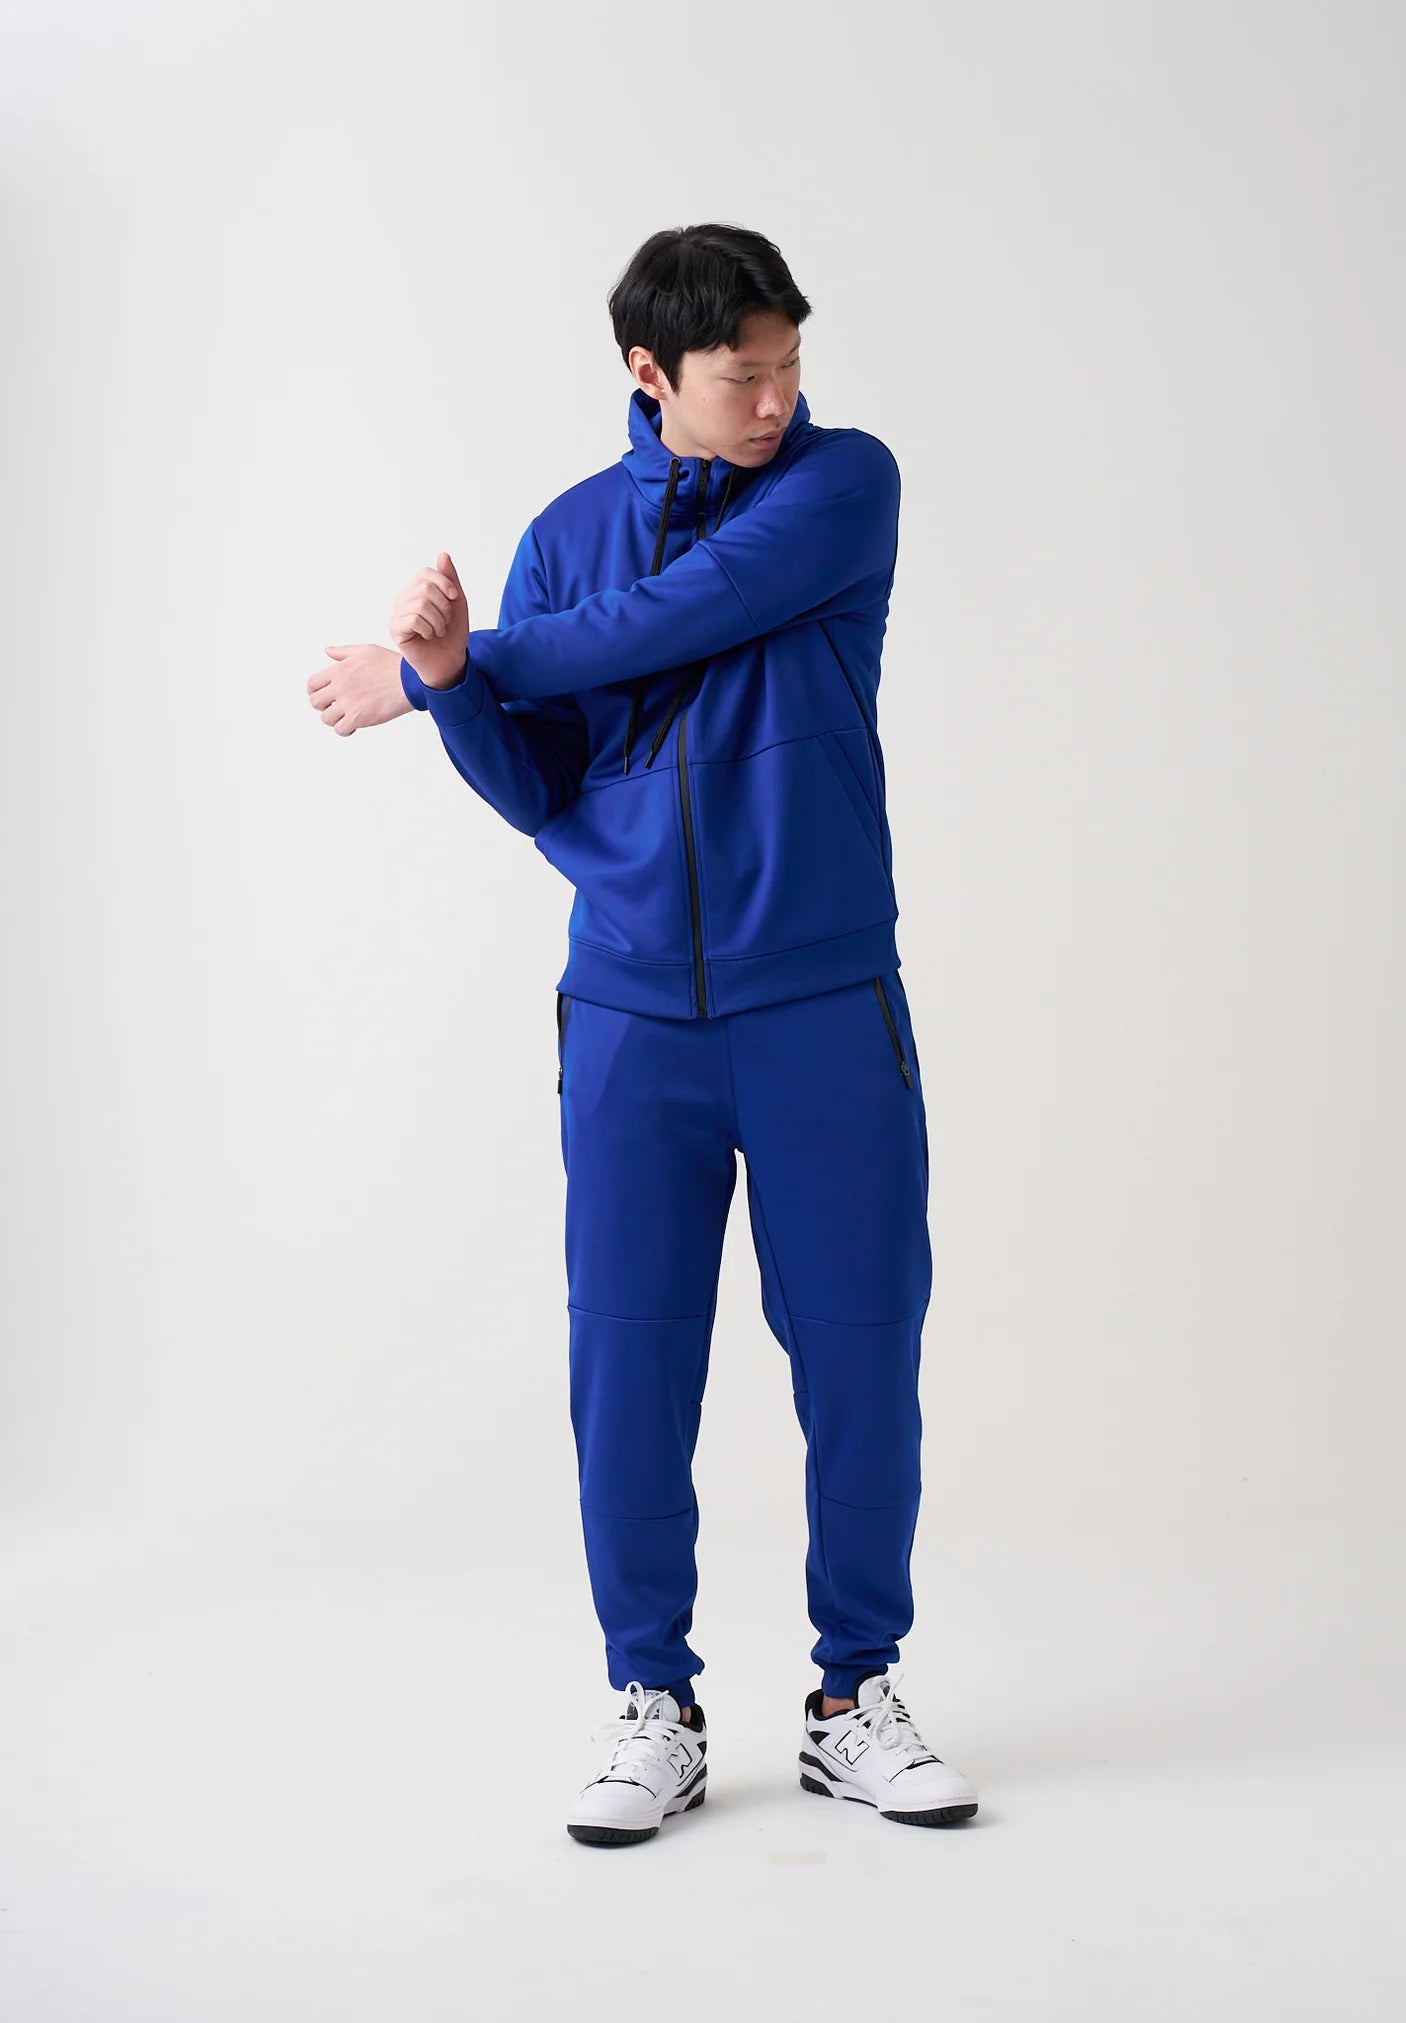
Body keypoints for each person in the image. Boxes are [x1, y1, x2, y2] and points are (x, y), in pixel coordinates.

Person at [307, 222, 979, 1847]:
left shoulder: (840, 485)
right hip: (628, 1022)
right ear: (647, 372)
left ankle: (853, 1697)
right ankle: (649, 1702)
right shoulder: (562, 537)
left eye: (789, 364)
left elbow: (690, 611)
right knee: (628, 1361)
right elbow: (536, 782)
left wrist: (436, 671)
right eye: (742, 375)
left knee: (861, 1349)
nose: (776, 398)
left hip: (821, 1002)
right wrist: (465, 699)